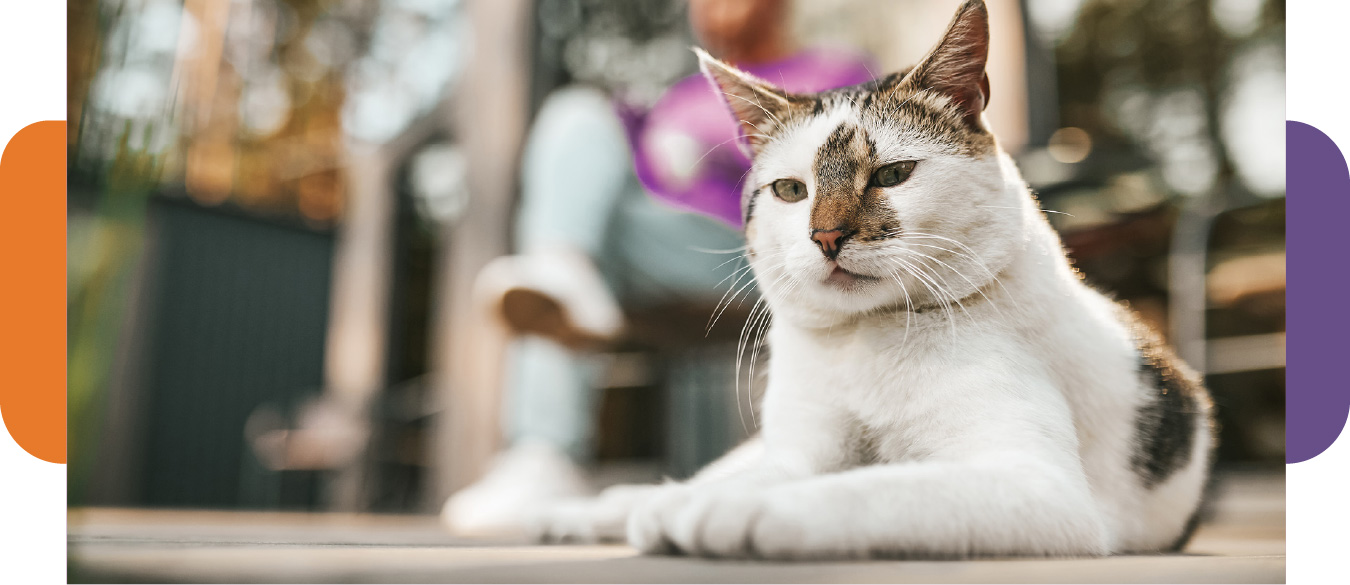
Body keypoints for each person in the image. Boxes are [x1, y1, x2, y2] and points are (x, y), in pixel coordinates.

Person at [441, 0, 875, 534]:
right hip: (643, 255)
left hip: (758, 253)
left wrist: (717, 155)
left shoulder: (834, 71)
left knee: (565, 247)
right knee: (574, 115)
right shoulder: (681, 95)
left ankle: (563, 305)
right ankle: (544, 449)